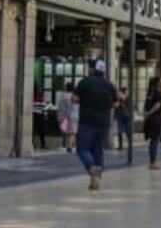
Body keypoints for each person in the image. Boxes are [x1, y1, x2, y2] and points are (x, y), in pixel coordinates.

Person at [72, 59, 118, 191]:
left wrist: (83, 100)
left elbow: (74, 98)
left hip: (87, 121)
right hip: (104, 123)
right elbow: (115, 103)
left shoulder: (85, 82)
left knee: (83, 149)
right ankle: (96, 177)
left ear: (92, 69)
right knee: (98, 150)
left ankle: (92, 167)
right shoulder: (110, 85)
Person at [144, 76, 161, 170]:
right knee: (155, 141)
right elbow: (157, 105)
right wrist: (149, 113)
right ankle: (153, 162)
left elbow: (146, 106)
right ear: (158, 83)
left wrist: (146, 114)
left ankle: (152, 161)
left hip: (152, 120)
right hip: (157, 120)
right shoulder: (158, 93)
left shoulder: (150, 93)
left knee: (153, 141)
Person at [56, 82, 76, 153]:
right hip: (67, 116)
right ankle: (69, 146)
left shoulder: (62, 95)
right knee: (70, 132)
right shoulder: (71, 96)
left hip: (61, 115)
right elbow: (70, 108)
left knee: (63, 131)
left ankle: (63, 145)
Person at [115, 86, 132, 151]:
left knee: (128, 132)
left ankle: (130, 145)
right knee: (119, 132)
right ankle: (120, 146)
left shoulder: (129, 99)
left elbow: (128, 108)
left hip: (128, 118)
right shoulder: (119, 100)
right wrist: (115, 116)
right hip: (120, 117)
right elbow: (116, 107)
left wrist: (122, 102)